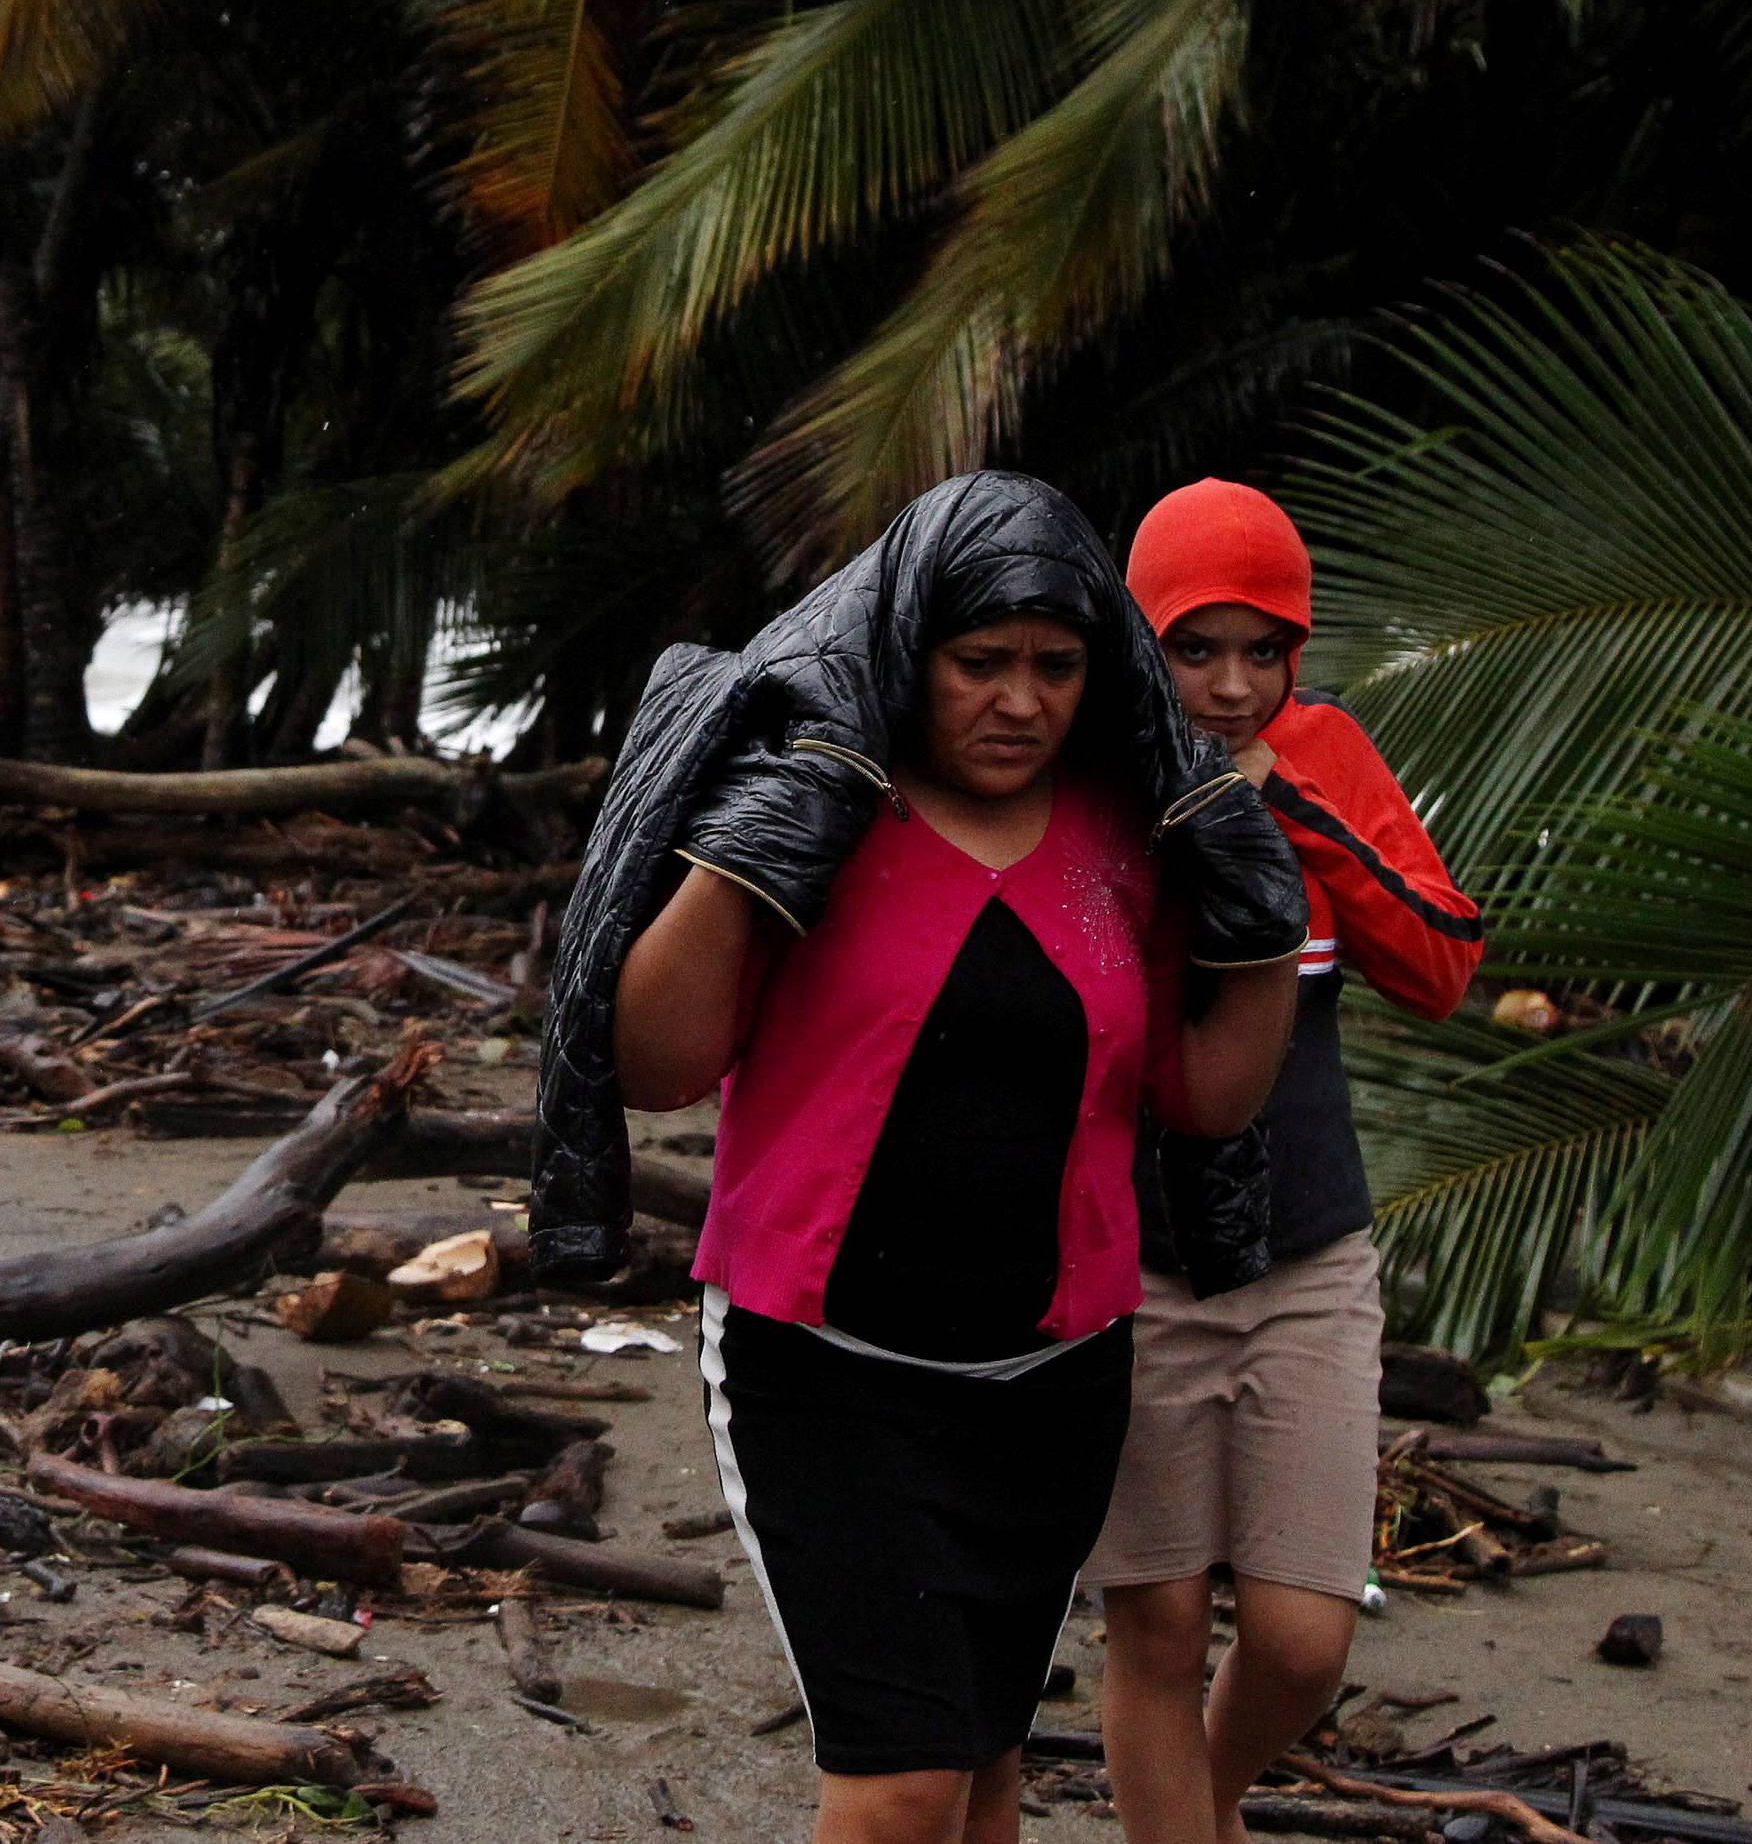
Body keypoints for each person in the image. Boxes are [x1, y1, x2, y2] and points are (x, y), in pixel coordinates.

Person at [533, 472, 1309, 1844]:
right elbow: (652, 1068)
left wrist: (1264, 926)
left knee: (990, 1775)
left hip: (1056, 1384)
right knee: (900, 1792)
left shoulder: (1127, 830)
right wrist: (745, 846)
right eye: (981, 662)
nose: (1020, 699)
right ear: (910, 651)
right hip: (823, 1372)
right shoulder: (827, 803)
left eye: (1056, 665)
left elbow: (1204, 1097)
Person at [1085, 478, 1484, 1844]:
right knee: (1160, 1616)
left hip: (1311, 1249)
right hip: (1130, 1261)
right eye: (1196, 647)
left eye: (1266, 647)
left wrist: (1292, 815)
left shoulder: (1328, 752)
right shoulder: (1090, 772)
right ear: (1143, 641)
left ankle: (1208, 1801)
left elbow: (1441, 965)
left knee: (1308, 1637)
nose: (1235, 682)